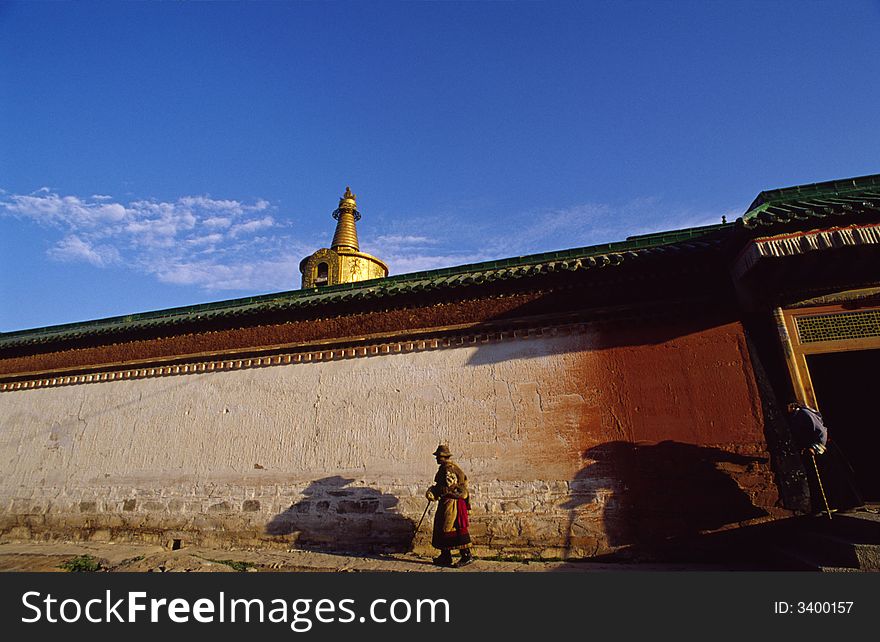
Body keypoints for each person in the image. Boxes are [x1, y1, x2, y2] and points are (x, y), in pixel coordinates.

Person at [786, 402, 866, 513]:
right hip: (815, 449)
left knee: (837, 475)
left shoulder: (803, 413)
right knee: (827, 477)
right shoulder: (794, 417)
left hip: (824, 447)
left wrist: (815, 448)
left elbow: (821, 432)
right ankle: (831, 505)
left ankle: (848, 504)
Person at [425, 443, 473, 567]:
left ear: (443, 457)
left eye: (438, 456)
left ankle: (466, 555)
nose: (436, 458)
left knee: (451, 528)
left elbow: (449, 488)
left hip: (451, 503)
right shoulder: (446, 468)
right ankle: (445, 556)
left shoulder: (448, 470)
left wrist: (434, 492)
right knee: (442, 526)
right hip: (446, 502)